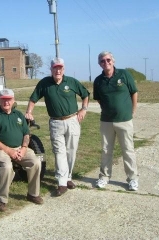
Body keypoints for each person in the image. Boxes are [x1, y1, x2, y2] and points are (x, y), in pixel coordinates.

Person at [25, 58, 89, 197]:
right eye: (55, 68)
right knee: (59, 152)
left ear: (63, 69)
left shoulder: (71, 82)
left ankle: (68, 177)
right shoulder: (45, 83)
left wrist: (83, 109)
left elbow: (85, 95)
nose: (58, 70)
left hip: (72, 120)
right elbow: (33, 99)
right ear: (51, 69)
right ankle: (61, 183)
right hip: (55, 123)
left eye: (60, 68)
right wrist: (29, 112)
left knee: (71, 151)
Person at [0, 88, 43, 212]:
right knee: (6, 168)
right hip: (1, 149)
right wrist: (10, 151)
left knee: (36, 162)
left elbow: (26, 134)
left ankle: (33, 194)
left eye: (9, 99)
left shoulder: (19, 115)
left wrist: (23, 149)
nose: (6, 102)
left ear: (13, 100)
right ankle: (2, 200)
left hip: (20, 148)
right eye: (3, 99)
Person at [93, 51, 139, 191]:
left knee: (128, 150)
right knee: (106, 150)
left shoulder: (124, 74)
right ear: (99, 64)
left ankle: (132, 179)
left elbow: (134, 93)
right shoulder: (98, 81)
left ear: (113, 61)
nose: (105, 62)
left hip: (124, 120)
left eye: (108, 59)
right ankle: (104, 176)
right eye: (102, 61)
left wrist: (132, 111)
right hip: (106, 121)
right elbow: (100, 99)